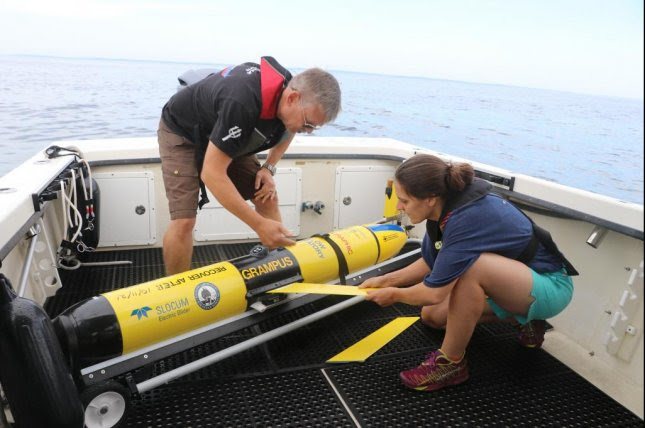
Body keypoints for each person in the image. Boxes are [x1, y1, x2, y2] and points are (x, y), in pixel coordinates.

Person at [359, 153, 577, 392]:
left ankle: (451, 363)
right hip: (515, 285)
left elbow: (433, 292)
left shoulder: (466, 218)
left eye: (405, 201)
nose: (399, 207)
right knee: (431, 317)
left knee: (473, 267)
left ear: (430, 198)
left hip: (550, 287)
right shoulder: (443, 210)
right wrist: (387, 279)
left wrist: (395, 295)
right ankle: (524, 320)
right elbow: (432, 263)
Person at [157, 56, 341, 274]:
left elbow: (291, 128)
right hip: (183, 133)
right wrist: (259, 225)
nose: (308, 130)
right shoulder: (243, 102)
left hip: (227, 133)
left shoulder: (288, 98)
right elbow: (212, 173)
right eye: (308, 123)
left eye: (314, 127)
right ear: (292, 98)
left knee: (266, 194)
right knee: (184, 221)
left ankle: (278, 270)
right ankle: (176, 293)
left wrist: (268, 168)